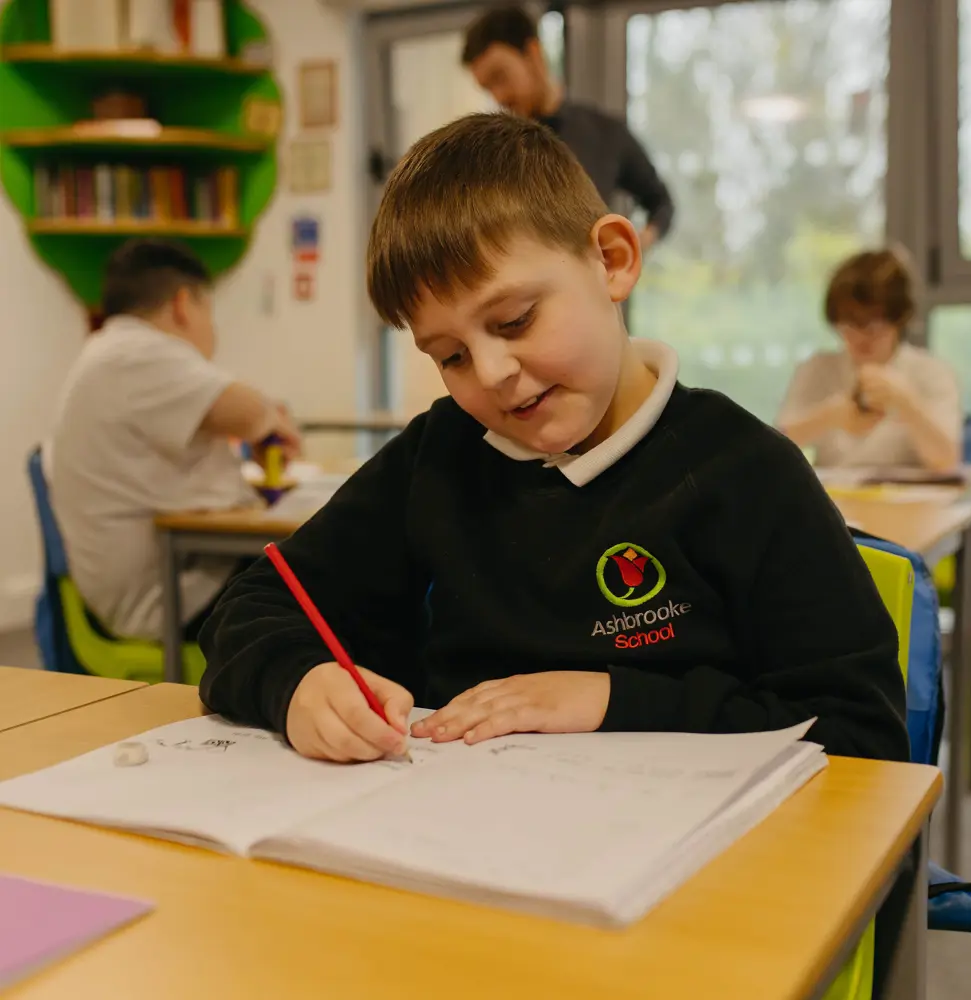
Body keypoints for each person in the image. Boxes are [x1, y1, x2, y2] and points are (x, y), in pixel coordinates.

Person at [199, 113, 907, 776]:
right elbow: (251, 607)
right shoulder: (438, 458)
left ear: (612, 260)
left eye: (513, 321)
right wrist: (297, 682)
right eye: (449, 357)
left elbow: (862, 739)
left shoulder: (745, 473)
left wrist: (608, 700)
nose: (492, 375)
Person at [50, 238, 301, 643]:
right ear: (184, 304)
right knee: (345, 581)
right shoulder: (137, 352)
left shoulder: (108, 352)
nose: (212, 330)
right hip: (167, 597)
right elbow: (249, 411)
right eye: (210, 312)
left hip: (167, 578)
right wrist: (274, 422)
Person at [461, 5, 673, 250]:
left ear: (533, 55)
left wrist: (638, 241)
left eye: (500, 76)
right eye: (487, 88)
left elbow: (661, 202)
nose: (498, 97)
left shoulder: (606, 132)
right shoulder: (498, 152)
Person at [777, 249, 961, 471]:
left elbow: (947, 460)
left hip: (908, 503)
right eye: (848, 324)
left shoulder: (931, 371)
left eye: (873, 325)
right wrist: (829, 416)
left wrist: (908, 404)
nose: (860, 337)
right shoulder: (817, 368)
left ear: (899, 319)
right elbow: (774, 447)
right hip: (833, 501)